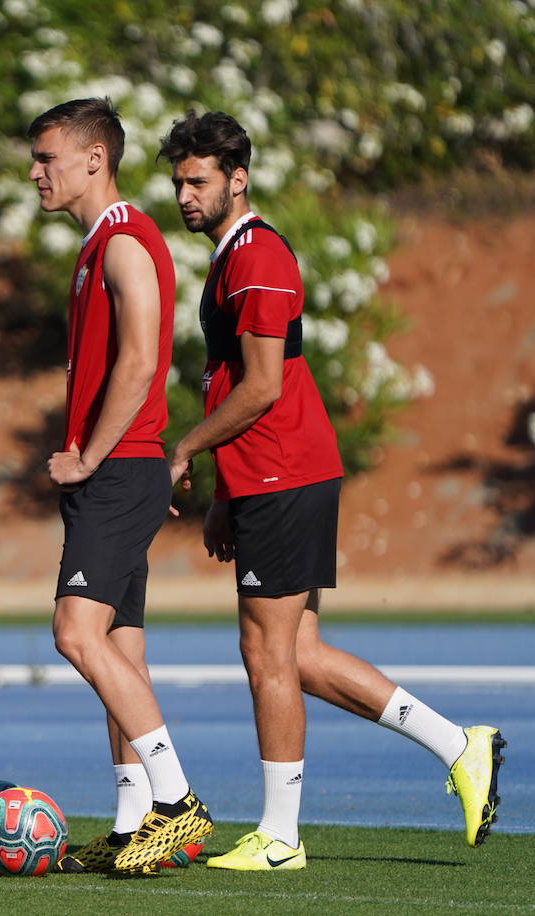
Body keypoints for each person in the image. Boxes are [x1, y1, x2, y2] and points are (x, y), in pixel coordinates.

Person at [159, 110, 506, 871]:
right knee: (301, 656)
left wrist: (184, 450)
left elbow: (258, 389)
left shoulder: (256, 258)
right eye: (178, 181)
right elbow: (236, 383)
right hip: (265, 475)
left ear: (237, 179)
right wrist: (222, 491)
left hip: (285, 471)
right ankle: (459, 744)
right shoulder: (228, 259)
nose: (185, 194)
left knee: (266, 652)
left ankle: (280, 838)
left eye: (198, 180)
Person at [27, 98, 214, 876]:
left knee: (75, 634)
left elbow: (143, 363)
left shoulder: (127, 241)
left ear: (95, 159)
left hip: (115, 469)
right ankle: (138, 818)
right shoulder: (93, 246)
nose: (37, 173)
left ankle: (178, 806)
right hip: (125, 472)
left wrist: (89, 458)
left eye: (48, 159)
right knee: (117, 650)